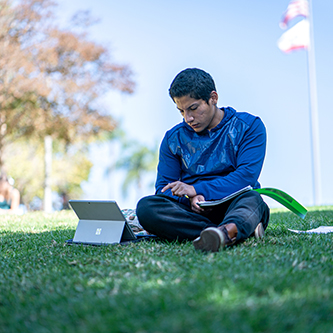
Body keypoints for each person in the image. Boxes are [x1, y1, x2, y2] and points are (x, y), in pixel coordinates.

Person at [136, 68, 270, 252]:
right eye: (181, 111)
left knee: (253, 199)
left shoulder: (249, 126)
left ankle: (227, 231)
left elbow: (245, 177)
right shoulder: (172, 138)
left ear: (213, 98)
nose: (188, 118)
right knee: (146, 207)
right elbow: (163, 189)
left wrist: (197, 189)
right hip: (192, 211)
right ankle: (231, 231)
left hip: (235, 203)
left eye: (193, 108)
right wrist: (190, 198)